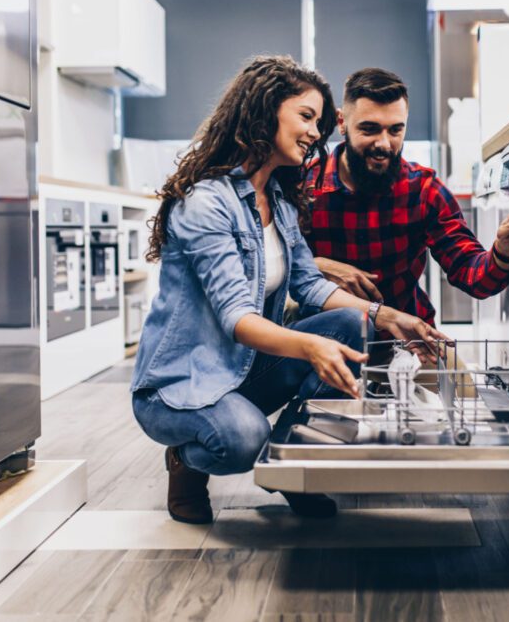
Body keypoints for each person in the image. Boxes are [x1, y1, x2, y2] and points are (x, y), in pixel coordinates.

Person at [129, 56, 443, 524]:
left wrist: (387, 316)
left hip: (243, 371)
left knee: (353, 323)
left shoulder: (277, 197)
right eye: (306, 116)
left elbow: (309, 283)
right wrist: (312, 345)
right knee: (242, 439)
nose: (317, 133)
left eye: (319, 121)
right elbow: (238, 319)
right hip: (181, 384)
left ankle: (297, 465)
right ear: (264, 110)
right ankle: (186, 462)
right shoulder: (206, 202)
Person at [304, 68, 509, 333]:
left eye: (395, 130)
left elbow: (473, 276)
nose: (384, 144)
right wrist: (315, 267)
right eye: (369, 129)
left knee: (459, 375)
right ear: (341, 122)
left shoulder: (424, 191)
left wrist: (502, 252)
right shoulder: (303, 187)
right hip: (322, 341)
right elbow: (269, 269)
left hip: (407, 339)